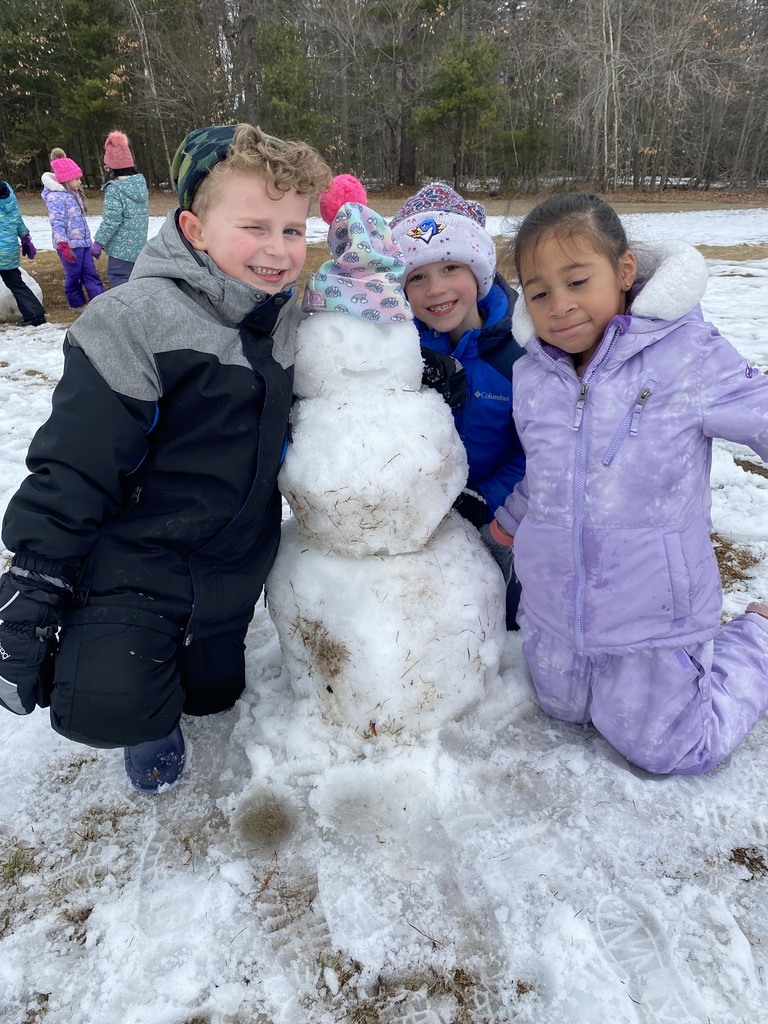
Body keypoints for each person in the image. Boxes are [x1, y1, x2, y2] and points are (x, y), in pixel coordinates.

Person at [0, 123, 332, 792]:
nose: (278, 250)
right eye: (255, 226)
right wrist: (37, 575)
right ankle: (141, 717)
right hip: (138, 562)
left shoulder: (290, 324)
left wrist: (420, 372)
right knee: (109, 704)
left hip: (235, 562)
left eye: (293, 230)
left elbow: (341, 393)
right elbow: (78, 460)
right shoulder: (134, 320)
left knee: (213, 695)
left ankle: (190, 666)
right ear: (195, 228)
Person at [487, 191, 768, 776]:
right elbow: (547, 471)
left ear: (623, 271)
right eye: (539, 293)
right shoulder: (533, 374)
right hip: (555, 611)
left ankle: (758, 640)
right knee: (560, 710)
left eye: (577, 281)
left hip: (652, 613)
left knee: (672, 749)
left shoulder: (686, 354)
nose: (559, 306)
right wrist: (510, 523)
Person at [390, 183, 526, 629]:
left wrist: (487, 502)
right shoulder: (399, 348)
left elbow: (541, 451)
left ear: (480, 272)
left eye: (451, 267)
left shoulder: (519, 352)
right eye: (418, 276)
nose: (437, 289)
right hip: (424, 516)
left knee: (498, 622)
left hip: (502, 518)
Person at [41, 152, 104, 308]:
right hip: (69, 246)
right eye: (76, 179)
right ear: (66, 180)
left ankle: (100, 302)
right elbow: (57, 222)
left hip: (83, 243)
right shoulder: (55, 197)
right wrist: (62, 244)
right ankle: (77, 304)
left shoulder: (74, 194)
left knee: (90, 273)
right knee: (74, 276)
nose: (79, 182)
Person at [92, 131, 149, 287]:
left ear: (111, 167)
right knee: (135, 280)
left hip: (121, 249)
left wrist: (98, 242)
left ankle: (126, 311)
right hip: (138, 247)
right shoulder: (139, 184)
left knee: (120, 279)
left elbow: (112, 220)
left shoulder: (115, 189)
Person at [0, 179, 47, 327]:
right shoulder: (9, 197)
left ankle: (34, 314)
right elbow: (17, 219)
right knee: (17, 284)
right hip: (10, 250)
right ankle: (35, 313)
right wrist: (25, 238)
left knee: (15, 284)